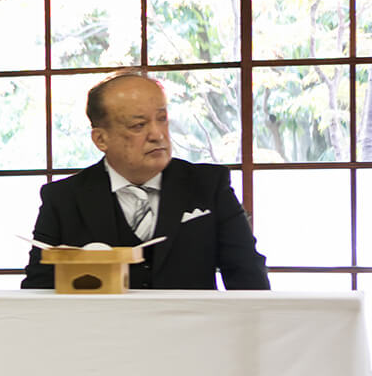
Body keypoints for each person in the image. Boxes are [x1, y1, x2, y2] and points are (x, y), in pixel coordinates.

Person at [21, 72, 270, 290]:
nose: (157, 134)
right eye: (139, 125)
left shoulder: (209, 185)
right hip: (99, 338)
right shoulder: (63, 198)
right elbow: (37, 292)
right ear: (100, 139)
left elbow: (248, 278)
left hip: (193, 338)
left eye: (161, 119)